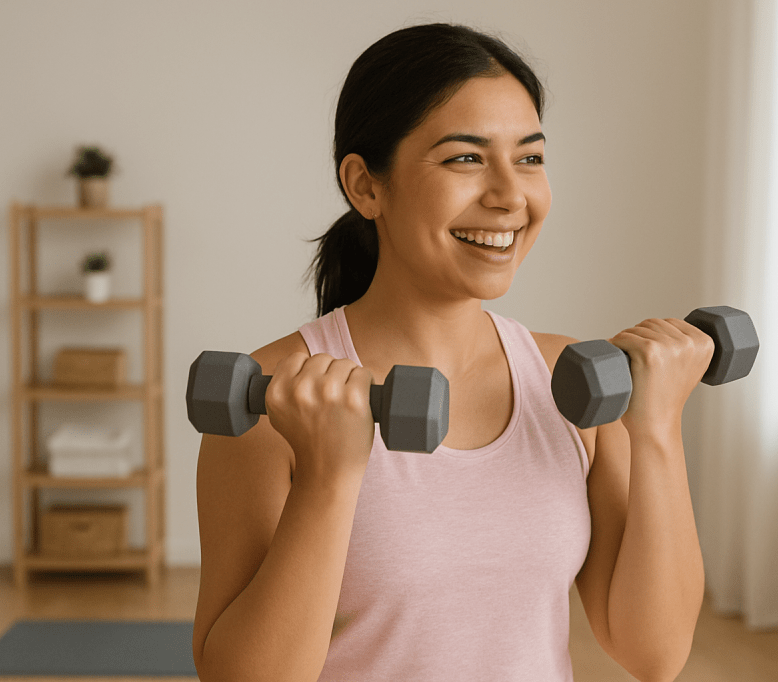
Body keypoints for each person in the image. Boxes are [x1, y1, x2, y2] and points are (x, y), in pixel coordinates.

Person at [192, 22, 710, 682]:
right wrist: (328, 480)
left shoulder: (573, 383)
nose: (509, 196)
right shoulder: (273, 398)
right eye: (465, 158)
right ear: (365, 186)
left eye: (529, 158)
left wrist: (658, 432)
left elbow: (654, 653)